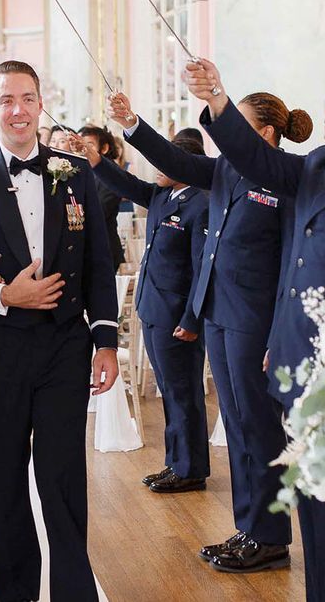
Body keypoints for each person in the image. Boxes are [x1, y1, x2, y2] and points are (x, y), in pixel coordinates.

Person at [0, 60, 120, 601]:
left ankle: (74, 594)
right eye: (7, 100)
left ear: (40, 105)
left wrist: (106, 341)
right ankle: (16, 595)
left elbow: (101, 265)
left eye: (27, 99)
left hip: (64, 346)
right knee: (4, 479)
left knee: (62, 479)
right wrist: (1, 295)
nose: (18, 110)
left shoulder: (75, 171)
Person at [185, 58, 325, 602]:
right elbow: (251, 156)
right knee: (314, 514)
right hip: (299, 369)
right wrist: (218, 99)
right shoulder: (318, 166)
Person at [108, 87, 305, 572]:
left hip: (255, 323)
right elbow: (171, 157)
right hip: (217, 314)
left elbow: (290, 264)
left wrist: (282, 331)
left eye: (237, 124)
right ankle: (251, 527)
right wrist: (132, 123)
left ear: (265, 133)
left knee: (259, 427)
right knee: (237, 426)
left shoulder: (284, 180)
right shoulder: (225, 172)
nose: (226, 136)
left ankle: (271, 535)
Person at [75, 130, 210, 490]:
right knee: (170, 392)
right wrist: (95, 160)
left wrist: (192, 319)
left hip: (178, 316)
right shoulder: (163, 196)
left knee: (184, 395)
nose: (156, 167)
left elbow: (202, 270)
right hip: (153, 309)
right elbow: (126, 182)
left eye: (165, 160)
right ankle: (175, 462)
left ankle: (191, 469)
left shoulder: (201, 204)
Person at [78, 125, 126, 271]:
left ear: (104, 148)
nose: (83, 149)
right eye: (81, 145)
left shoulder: (111, 175)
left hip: (103, 250)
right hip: (87, 250)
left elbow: (100, 210)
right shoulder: (83, 171)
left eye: (89, 145)